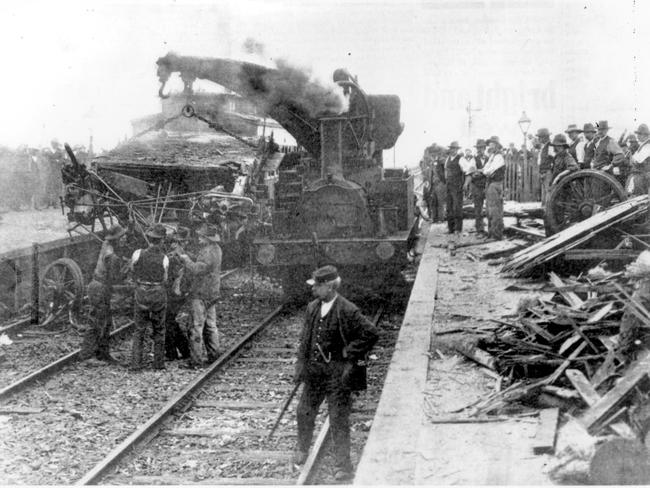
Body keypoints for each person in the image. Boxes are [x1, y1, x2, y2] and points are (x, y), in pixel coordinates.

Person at [293, 265, 379, 481]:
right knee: (303, 411)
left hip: (337, 375)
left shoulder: (347, 309)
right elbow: (305, 340)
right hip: (314, 373)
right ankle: (302, 450)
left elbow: (371, 333)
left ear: (329, 287)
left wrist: (349, 352)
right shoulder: (312, 307)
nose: (313, 290)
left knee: (338, 419)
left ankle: (343, 466)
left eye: (317, 286)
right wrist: (300, 367)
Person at [79, 224, 128, 363]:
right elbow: (115, 278)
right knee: (96, 322)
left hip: (97, 286)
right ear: (116, 239)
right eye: (122, 237)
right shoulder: (112, 257)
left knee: (104, 322)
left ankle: (103, 354)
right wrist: (127, 268)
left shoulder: (106, 245)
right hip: (100, 288)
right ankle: (87, 356)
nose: (125, 239)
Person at [176, 225, 222, 369]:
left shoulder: (207, 251)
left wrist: (185, 260)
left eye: (201, 236)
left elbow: (198, 269)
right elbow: (202, 263)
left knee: (196, 327)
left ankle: (195, 360)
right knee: (211, 325)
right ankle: (214, 355)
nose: (199, 238)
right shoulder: (216, 249)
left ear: (207, 238)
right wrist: (190, 256)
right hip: (212, 292)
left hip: (201, 293)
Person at [130, 224, 169, 371]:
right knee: (159, 329)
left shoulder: (137, 254)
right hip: (158, 294)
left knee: (139, 330)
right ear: (162, 241)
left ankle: (136, 364)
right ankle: (158, 364)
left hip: (141, 293)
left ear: (150, 239)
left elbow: (132, 270)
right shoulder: (164, 258)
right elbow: (165, 279)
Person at [165, 226, 192, 360]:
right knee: (169, 320)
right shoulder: (183, 254)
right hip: (178, 292)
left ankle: (174, 352)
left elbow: (173, 276)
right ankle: (182, 351)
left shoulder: (175, 256)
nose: (172, 245)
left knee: (167, 321)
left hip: (175, 292)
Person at [482, 136, 505, 240]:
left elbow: (488, 170)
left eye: (491, 144)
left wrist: (485, 171)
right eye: (489, 144)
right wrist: (484, 171)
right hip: (490, 183)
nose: (489, 146)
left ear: (496, 145)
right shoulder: (492, 156)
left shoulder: (499, 157)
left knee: (494, 210)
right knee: (489, 210)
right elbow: (485, 169)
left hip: (495, 184)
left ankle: (496, 234)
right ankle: (491, 233)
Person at [444, 141, 463, 234]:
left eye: (455, 149)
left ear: (457, 150)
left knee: (457, 207)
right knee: (449, 207)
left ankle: (458, 228)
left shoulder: (461, 159)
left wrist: (462, 184)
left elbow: (465, 171)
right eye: (452, 148)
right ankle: (450, 228)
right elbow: (445, 171)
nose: (453, 150)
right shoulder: (448, 159)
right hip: (449, 185)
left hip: (457, 186)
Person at [469, 139, 488, 235]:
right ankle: (479, 228)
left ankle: (489, 227)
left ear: (485, 148)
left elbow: (491, 171)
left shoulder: (489, 158)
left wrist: (480, 171)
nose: (480, 150)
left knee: (489, 207)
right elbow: (473, 173)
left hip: (487, 186)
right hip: (477, 186)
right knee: (478, 207)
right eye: (478, 148)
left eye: (481, 148)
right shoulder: (473, 159)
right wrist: (483, 171)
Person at [626, 124, 650, 196]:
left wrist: (631, 157)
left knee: (637, 198)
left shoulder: (647, 146)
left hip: (641, 177)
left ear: (644, 135)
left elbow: (637, 161)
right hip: (638, 176)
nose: (637, 136)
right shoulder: (643, 145)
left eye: (639, 134)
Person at [535, 128, 554, 205]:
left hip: (548, 171)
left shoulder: (550, 146)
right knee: (544, 191)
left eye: (540, 137)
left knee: (548, 191)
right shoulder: (543, 147)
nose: (538, 139)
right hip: (543, 171)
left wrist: (548, 170)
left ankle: (549, 209)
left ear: (545, 137)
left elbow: (553, 159)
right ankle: (544, 208)